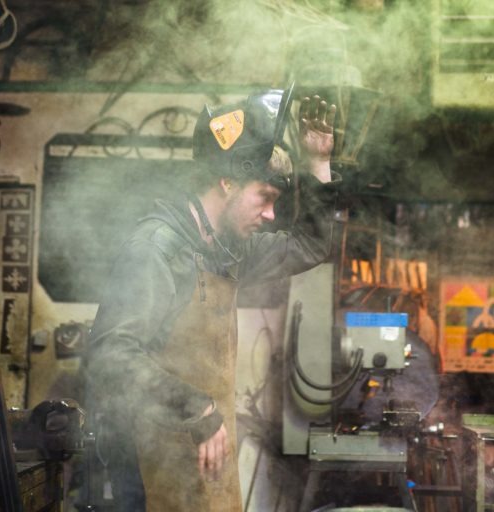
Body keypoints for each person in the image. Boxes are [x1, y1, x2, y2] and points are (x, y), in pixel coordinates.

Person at [85, 85, 339, 511]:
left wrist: (318, 162)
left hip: (201, 463)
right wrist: (197, 408)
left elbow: (311, 245)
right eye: (266, 198)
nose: (271, 215)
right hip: (151, 468)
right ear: (227, 182)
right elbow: (111, 354)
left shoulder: (227, 250)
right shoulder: (157, 249)